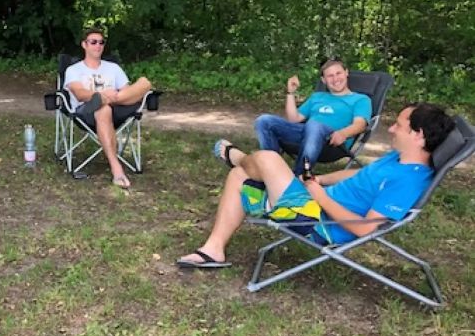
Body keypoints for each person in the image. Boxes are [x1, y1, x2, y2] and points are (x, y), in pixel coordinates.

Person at [178, 102, 455, 268]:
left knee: (268, 158)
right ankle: (214, 249)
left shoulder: (408, 180)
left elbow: (365, 228)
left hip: (319, 224)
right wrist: (319, 180)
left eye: (398, 125)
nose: (391, 129)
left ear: (418, 135)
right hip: (313, 203)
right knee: (239, 177)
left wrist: (319, 196)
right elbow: (357, 177)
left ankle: (235, 156)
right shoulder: (397, 158)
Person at [63, 27, 154, 188]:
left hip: (117, 105)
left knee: (145, 82)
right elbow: (79, 94)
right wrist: (101, 95)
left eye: (101, 42)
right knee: (102, 107)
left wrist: (112, 97)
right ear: (84, 45)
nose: (98, 45)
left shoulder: (113, 68)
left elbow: (127, 91)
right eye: (93, 42)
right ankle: (117, 169)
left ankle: (107, 99)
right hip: (86, 110)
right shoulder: (74, 70)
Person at [250, 59, 372, 175]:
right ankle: (271, 172)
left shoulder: (360, 99)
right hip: (305, 134)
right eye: (330, 76)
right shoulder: (317, 97)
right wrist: (290, 93)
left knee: (314, 125)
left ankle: (299, 176)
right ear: (323, 80)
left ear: (346, 73)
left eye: (338, 73)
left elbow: (360, 124)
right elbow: (294, 119)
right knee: (264, 120)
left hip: (332, 143)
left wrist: (343, 134)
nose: (335, 79)